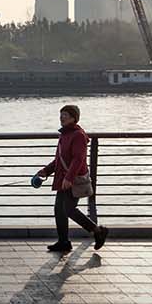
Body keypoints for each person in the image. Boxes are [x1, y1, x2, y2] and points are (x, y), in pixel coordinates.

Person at [34, 103, 108, 254]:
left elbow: (78, 159)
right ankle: (63, 242)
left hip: (72, 180)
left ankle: (98, 231)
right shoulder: (65, 134)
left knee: (68, 209)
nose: (62, 118)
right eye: (61, 115)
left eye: (65, 115)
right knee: (59, 210)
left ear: (74, 118)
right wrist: (46, 171)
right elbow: (59, 160)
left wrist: (68, 178)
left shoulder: (78, 135)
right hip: (63, 178)